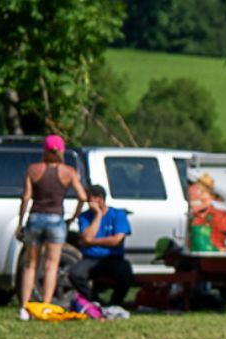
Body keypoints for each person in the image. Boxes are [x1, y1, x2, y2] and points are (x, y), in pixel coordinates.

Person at [13, 134, 86, 320]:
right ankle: (45, 306)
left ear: (44, 150)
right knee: (51, 265)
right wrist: (74, 217)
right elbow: (83, 197)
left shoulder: (33, 169)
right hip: (56, 219)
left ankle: (24, 308)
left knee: (30, 264)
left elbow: (26, 197)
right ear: (61, 150)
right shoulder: (68, 172)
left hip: (35, 218)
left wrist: (21, 222)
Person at [73, 185, 136, 308]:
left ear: (100, 198)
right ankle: (95, 302)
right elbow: (86, 238)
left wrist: (92, 242)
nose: (87, 203)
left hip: (113, 257)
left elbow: (116, 241)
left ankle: (115, 303)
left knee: (125, 274)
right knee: (75, 274)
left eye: (90, 199)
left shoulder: (118, 214)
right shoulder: (85, 217)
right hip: (90, 258)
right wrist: (98, 216)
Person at [188, 173, 226, 252]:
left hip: (214, 258)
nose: (195, 197)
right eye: (192, 193)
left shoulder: (218, 215)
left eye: (202, 192)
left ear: (211, 197)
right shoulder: (190, 217)